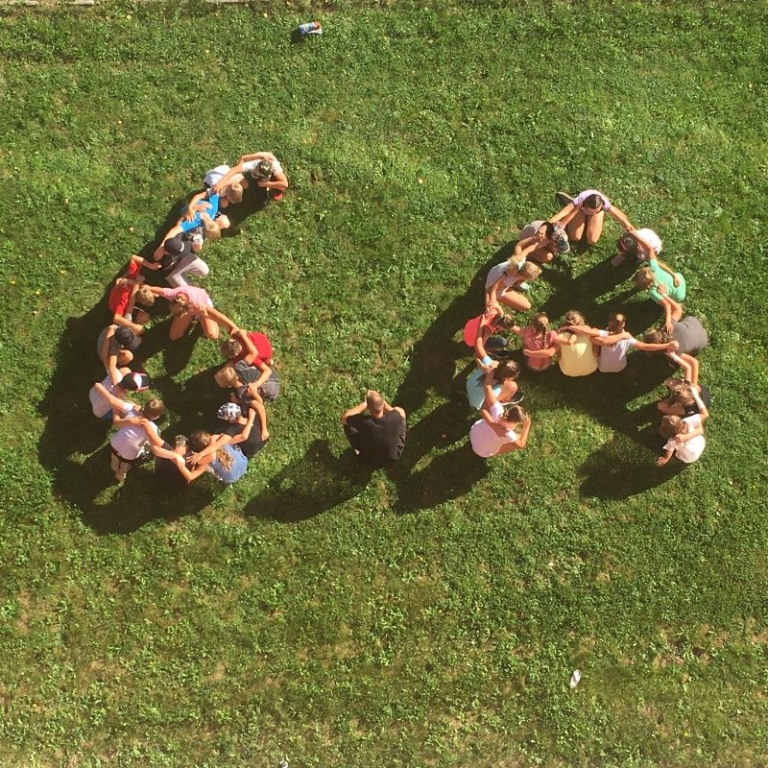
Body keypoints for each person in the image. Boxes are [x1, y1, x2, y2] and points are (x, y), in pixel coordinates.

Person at [561, 312, 678, 373]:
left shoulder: (603, 334)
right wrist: (667, 345)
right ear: (623, 325)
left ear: (609, 323)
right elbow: (646, 346)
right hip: (620, 368)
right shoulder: (628, 338)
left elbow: (586, 332)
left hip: (602, 368)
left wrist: (569, 327)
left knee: (593, 334)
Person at [632, 231, 687, 332]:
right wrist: (674, 275)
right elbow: (651, 251)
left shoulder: (653, 292)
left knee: (655, 304)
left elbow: (667, 305)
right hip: (680, 279)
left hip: (679, 296)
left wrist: (668, 321)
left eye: (639, 285)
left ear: (646, 285)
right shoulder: (653, 269)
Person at [152, 430, 248, 485]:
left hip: (232, 478)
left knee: (208, 466)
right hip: (244, 463)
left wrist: (181, 464)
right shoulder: (217, 438)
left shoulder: (205, 461)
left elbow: (191, 476)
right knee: (229, 446)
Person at [469, 376, 531, 458]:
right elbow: (521, 445)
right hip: (482, 452)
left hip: (473, 434)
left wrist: (491, 375)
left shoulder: (497, 410)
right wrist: (526, 427)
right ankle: (492, 452)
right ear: (517, 422)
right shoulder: (508, 434)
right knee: (519, 438)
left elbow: (487, 391)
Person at [341, 390, 407, 468]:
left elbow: (344, 418)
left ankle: (357, 451)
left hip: (367, 460)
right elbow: (401, 411)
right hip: (393, 458)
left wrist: (364, 404)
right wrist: (384, 405)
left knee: (348, 426)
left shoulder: (364, 422)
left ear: (368, 408)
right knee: (401, 420)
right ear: (383, 403)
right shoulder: (395, 416)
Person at [550, 189, 633, 246]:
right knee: (575, 237)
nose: (593, 213)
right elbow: (562, 213)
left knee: (592, 240)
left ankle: (593, 215)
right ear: (585, 206)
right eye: (590, 212)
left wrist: (635, 234)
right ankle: (571, 201)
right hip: (580, 210)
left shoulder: (604, 205)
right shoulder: (580, 201)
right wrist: (546, 225)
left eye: (596, 211)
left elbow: (622, 219)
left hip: (593, 209)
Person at [110, 398, 165, 482]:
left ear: (144, 406)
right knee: (144, 448)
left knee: (116, 454)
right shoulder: (153, 429)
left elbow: (122, 404)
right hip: (128, 456)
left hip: (114, 445)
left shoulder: (131, 411)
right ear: (157, 416)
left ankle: (114, 464)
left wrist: (137, 409)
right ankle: (122, 472)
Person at [144, 284, 221, 340]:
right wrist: (145, 291)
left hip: (203, 310)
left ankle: (207, 319)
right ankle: (192, 316)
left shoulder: (198, 304)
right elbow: (151, 289)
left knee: (212, 335)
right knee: (174, 336)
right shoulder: (172, 294)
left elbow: (220, 317)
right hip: (189, 308)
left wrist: (203, 314)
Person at [107, 255, 157, 333]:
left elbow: (134, 258)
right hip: (113, 305)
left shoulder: (133, 277)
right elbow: (116, 318)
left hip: (122, 291)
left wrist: (151, 265)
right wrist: (134, 326)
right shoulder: (125, 301)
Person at [212, 151, 289, 201]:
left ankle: (277, 186)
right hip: (254, 165)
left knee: (279, 183)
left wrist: (266, 184)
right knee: (258, 196)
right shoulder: (253, 164)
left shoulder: (274, 165)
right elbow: (235, 169)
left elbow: (285, 184)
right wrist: (221, 183)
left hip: (269, 173)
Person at [553, 310, 598, 377]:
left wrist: (560, 330)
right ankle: (595, 353)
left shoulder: (560, 336)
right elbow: (589, 328)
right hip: (591, 368)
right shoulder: (588, 333)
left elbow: (554, 336)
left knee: (558, 347)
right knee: (594, 338)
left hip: (567, 371)